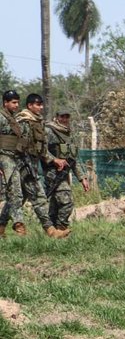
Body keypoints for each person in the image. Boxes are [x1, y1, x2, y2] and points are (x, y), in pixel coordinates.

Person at [13, 94, 69, 238]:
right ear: (30, 106)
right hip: (23, 165)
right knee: (39, 198)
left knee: (17, 199)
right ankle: (51, 231)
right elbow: (20, 147)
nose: (41, 107)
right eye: (37, 104)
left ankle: (1, 227)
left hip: (31, 164)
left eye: (41, 104)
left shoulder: (36, 122)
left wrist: (54, 159)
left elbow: (40, 149)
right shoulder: (24, 122)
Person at [44, 108, 90, 233]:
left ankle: (51, 233)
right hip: (52, 172)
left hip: (64, 173)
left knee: (55, 205)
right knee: (66, 202)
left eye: (66, 117)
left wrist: (82, 178)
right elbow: (41, 150)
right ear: (57, 116)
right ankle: (61, 228)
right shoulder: (49, 130)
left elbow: (73, 159)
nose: (64, 120)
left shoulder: (69, 133)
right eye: (62, 117)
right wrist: (55, 160)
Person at [0, 90, 28, 238]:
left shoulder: (14, 120)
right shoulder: (1, 117)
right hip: (4, 159)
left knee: (15, 194)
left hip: (14, 159)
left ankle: (1, 226)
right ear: (5, 102)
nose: (17, 105)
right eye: (13, 102)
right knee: (15, 193)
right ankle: (19, 225)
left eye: (18, 102)